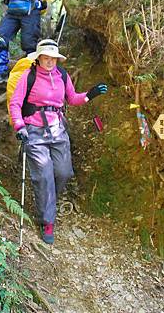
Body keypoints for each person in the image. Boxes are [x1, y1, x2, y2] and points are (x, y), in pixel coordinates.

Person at [9, 39, 108, 244]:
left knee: (63, 172)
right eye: (46, 58)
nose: (50, 61)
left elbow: (72, 99)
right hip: (34, 131)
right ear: (38, 59)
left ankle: (47, 201)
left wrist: (91, 94)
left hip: (58, 130)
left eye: (53, 58)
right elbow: (16, 103)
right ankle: (47, 221)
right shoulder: (30, 76)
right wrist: (19, 126)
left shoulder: (62, 75)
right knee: (44, 174)